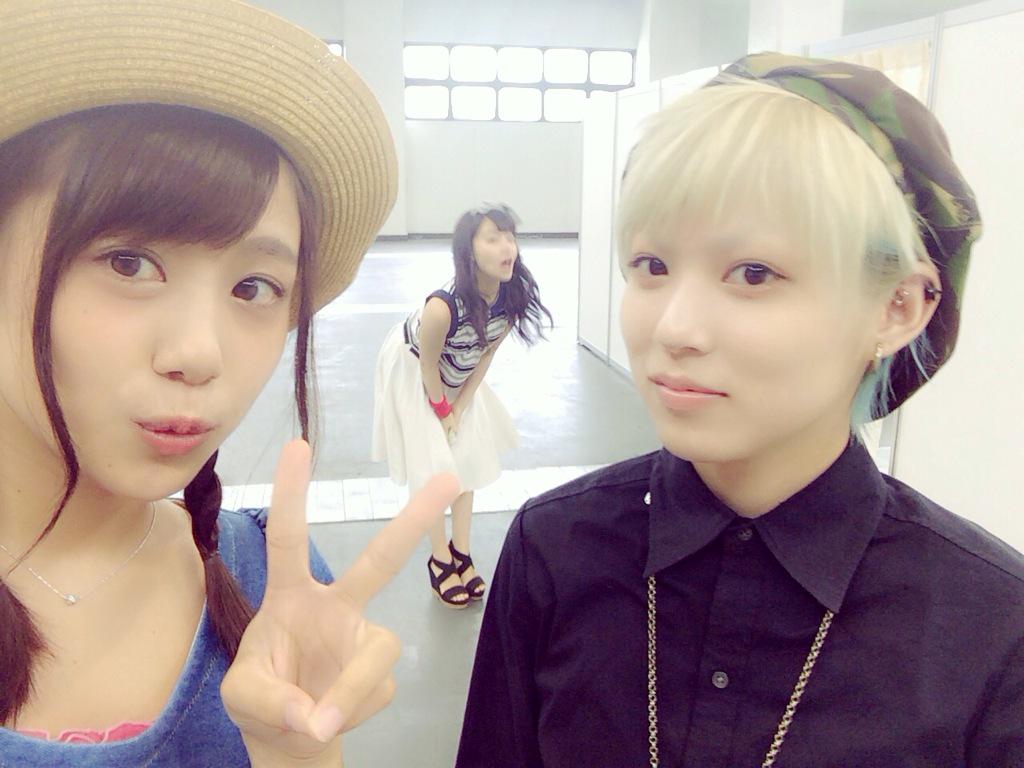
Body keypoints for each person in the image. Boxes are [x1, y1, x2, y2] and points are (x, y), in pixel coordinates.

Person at [457, 53, 1024, 767]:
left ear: (896, 307)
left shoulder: (991, 629)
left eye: (753, 273)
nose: (674, 329)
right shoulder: (556, 549)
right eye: (652, 266)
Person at [0, 1, 459, 766]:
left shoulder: (269, 588)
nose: (199, 353)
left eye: (254, 287)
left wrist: (298, 753)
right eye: (128, 263)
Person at [372, 204, 552, 608]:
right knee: (435, 469)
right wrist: (441, 410)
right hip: (415, 370)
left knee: (466, 461)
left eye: (510, 237)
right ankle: (439, 560)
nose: (507, 247)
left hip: (460, 375)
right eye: (493, 238)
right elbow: (427, 364)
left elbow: (486, 355)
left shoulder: (510, 298)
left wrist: (462, 406)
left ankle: (461, 551)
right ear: (469, 251)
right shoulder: (441, 307)